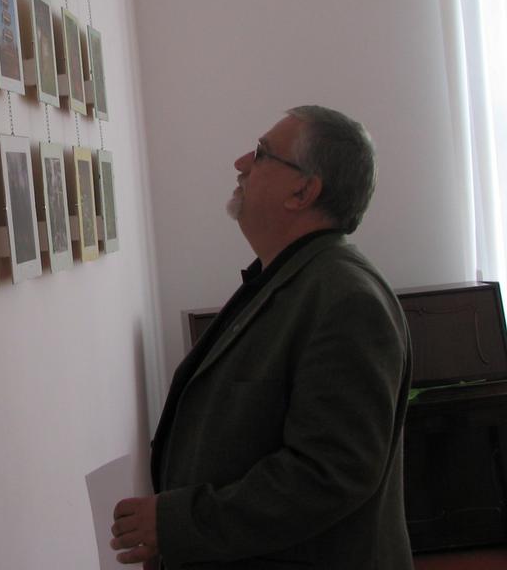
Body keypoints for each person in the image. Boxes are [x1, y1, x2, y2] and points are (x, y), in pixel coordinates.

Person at [111, 106, 413, 569]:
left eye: (261, 153)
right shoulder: (291, 280)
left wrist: (177, 524)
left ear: (303, 191)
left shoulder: (347, 300)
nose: (241, 164)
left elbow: (327, 475)